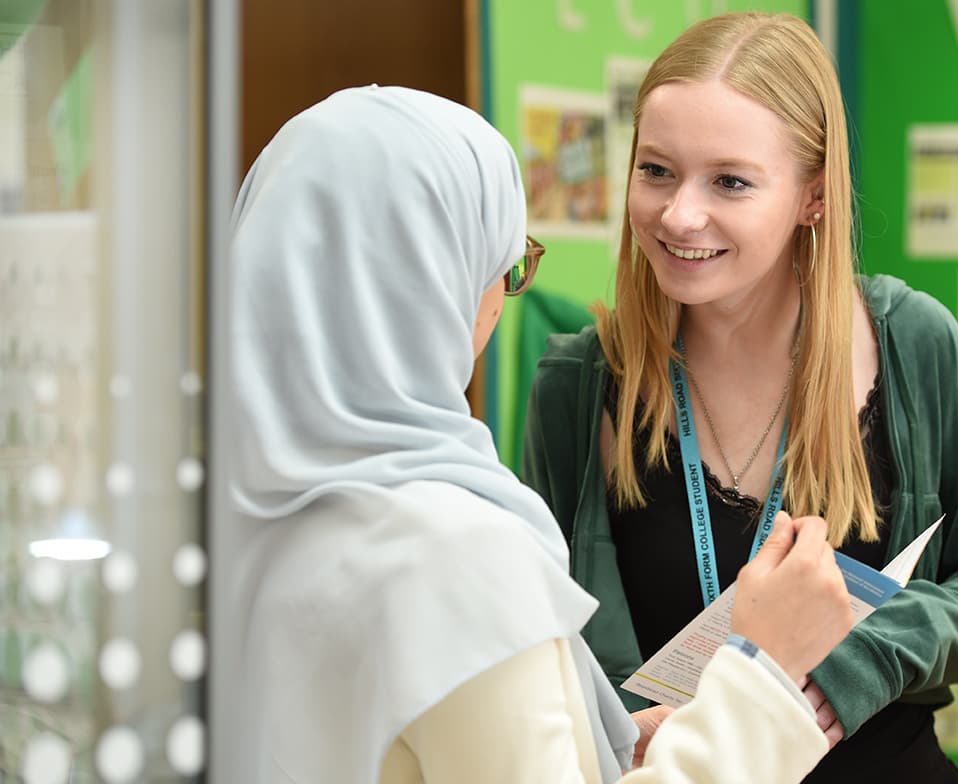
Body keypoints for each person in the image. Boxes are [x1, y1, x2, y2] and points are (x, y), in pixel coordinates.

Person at [210, 84, 858, 784]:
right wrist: (760, 679)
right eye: (505, 267)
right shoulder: (456, 558)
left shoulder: (221, 513)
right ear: (435, 286)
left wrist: (586, 736)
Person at [521, 12, 958, 783]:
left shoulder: (912, 344)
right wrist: (609, 720)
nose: (678, 215)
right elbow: (543, 633)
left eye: (728, 181)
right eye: (656, 170)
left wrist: (857, 660)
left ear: (812, 195)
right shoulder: (579, 381)